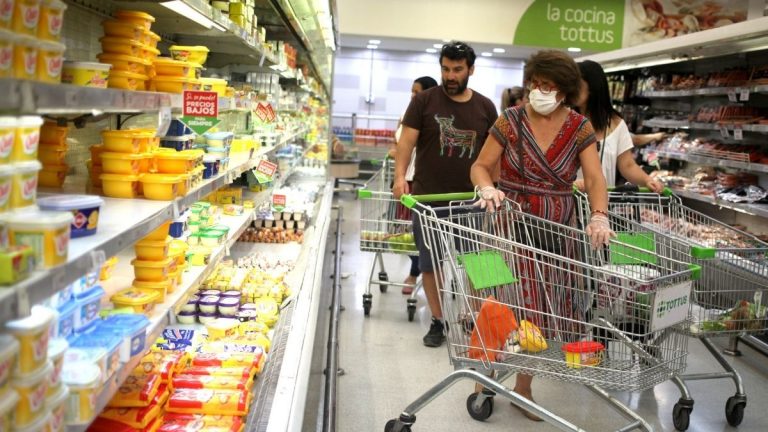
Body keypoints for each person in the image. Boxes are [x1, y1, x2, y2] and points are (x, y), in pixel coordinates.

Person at [470, 49, 615, 421]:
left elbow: (596, 178)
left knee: (540, 310)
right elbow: (482, 166)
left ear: (564, 91)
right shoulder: (511, 120)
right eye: (535, 83)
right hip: (506, 223)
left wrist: (599, 215)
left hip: (556, 232)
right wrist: (487, 188)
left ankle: (523, 385)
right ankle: (484, 371)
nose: (539, 91)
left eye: (548, 86)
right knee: (499, 301)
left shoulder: (579, 127)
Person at [392, 41, 498, 347]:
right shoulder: (424, 101)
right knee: (431, 263)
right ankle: (439, 320)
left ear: (471, 70)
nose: (450, 76)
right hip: (428, 199)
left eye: (457, 69)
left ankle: (474, 317)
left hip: (472, 199)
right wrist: (400, 178)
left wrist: (495, 188)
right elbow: (406, 144)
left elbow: (495, 155)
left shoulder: (485, 107)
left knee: (477, 261)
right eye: (446, 69)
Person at [572, 60, 664, 193]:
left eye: (577, 84)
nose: (571, 89)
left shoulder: (616, 124)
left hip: (601, 205)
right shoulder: (564, 120)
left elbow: (627, 165)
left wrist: (647, 180)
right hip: (567, 203)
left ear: (592, 86)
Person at [389, 76, 439, 294]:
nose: (413, 95)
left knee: (422, 235)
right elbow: (398, 145)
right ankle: (415, 271)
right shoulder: (405, 115)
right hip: (404, 181)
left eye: (417, 92)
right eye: (411, 91)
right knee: (407, 233)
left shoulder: (433, 118)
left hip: (420, 183)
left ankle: (414, 273)